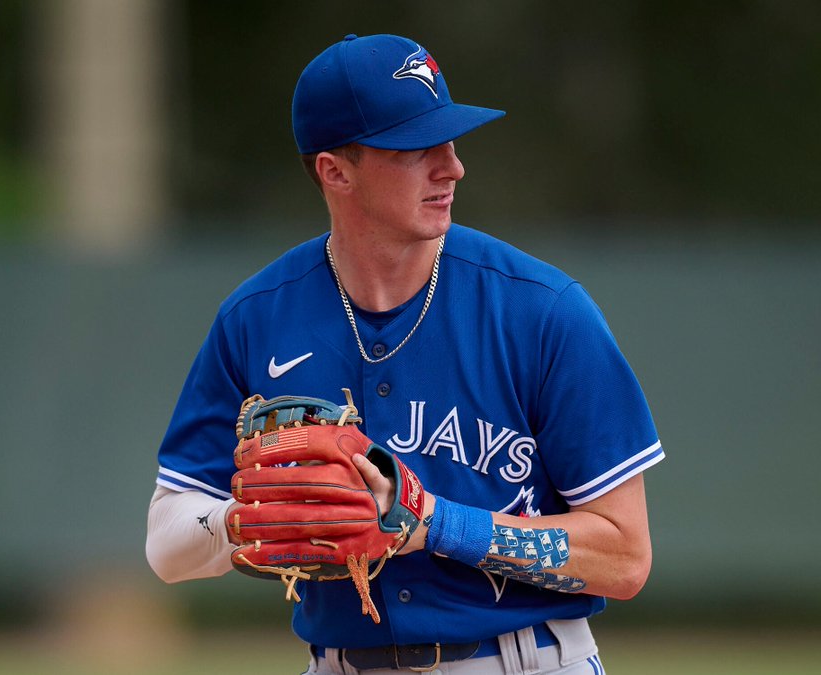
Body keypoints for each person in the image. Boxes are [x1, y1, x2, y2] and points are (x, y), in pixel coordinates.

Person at [146, 33, 663, 674]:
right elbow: (167, 542)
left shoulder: (542, 311)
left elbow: (625, 557)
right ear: (336, 170)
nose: (452, 167)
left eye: (451, 142)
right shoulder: (257, 318)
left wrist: (437, 524)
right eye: (416, 149)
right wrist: (245, 519)